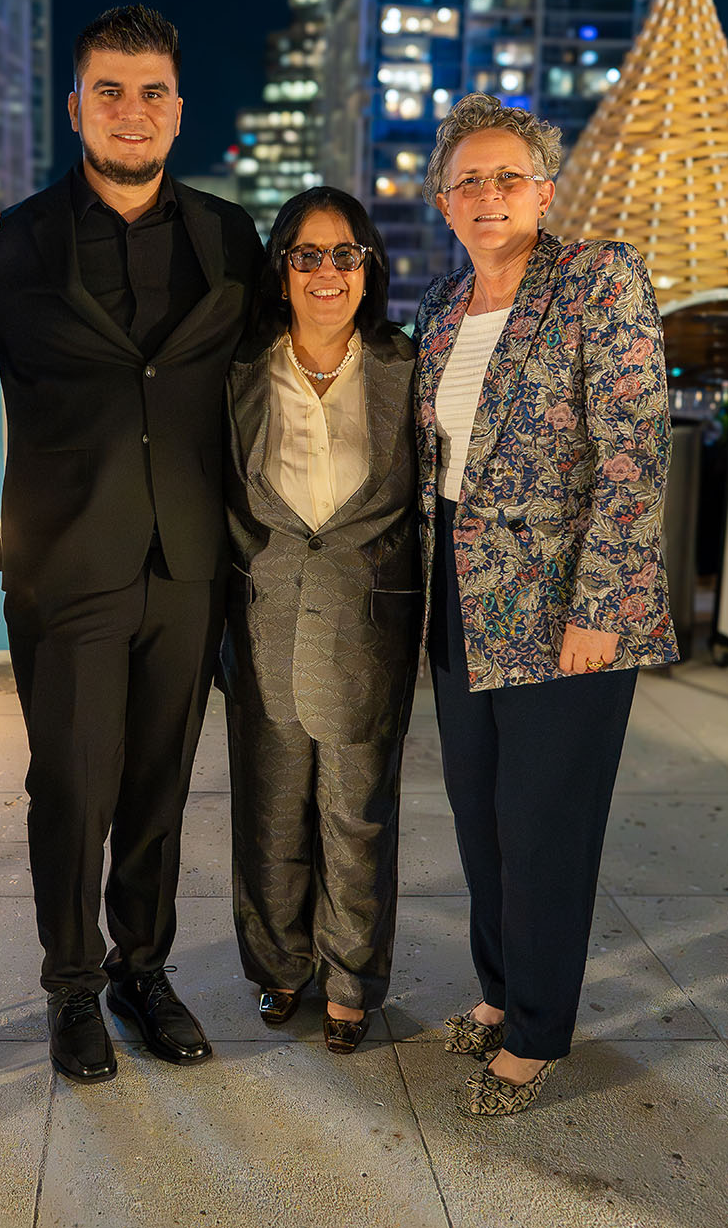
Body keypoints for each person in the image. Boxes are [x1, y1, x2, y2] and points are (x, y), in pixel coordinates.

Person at [0, 5, 262, 1084]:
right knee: (73, 787)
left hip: (189, 561)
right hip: (65, 562)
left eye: (152, 92)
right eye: (111, 91)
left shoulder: (230, 237)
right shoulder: (9, 243)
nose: (133, 110)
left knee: (160, 786)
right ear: (76, 105)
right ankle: (72, 986)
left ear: (179, 110)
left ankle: (143, 970)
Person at [414, 92, 677, 1115]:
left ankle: (537, 1031)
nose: (489, 194)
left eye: (508, 176)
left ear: (545, 191)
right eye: (469, 180)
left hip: (567, 606)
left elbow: (633, 452)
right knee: (479, 814)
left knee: (544, 825)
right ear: (443, 200)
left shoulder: (596, 280)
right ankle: (498, 992)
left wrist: (601, 605)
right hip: (459, 601)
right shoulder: (443, 304)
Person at [220, 187, 420, 1052]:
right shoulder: (241, 370)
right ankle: (278, 965)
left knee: (357, 815)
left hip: (368, 624)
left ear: (368, 270)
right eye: (307, 255)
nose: (327, 272)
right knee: (268, 812)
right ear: (282, 271)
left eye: (345, 255)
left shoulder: (405, 365)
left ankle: (352, 981)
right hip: (263, 618)